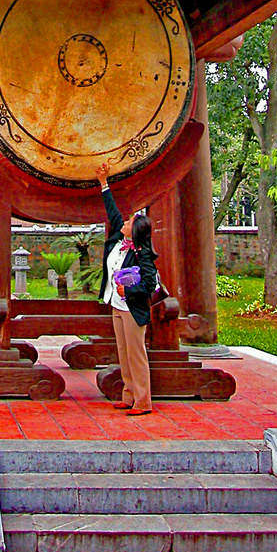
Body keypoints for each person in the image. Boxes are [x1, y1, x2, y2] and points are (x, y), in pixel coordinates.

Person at [95, 161, 157, 415]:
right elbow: (112, 213)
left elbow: (150, 284)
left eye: (130, 222)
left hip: (132, 309)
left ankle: (143, 402)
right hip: (116, 306)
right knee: (123, 353)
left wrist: (128, 292)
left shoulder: (143, 254)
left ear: (136, 232)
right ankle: (129, 395)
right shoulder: (119, 241)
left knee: (136, 355)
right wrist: (103, 183)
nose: (125, 222)